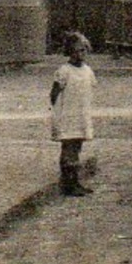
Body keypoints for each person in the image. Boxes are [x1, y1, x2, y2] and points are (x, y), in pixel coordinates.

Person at [50, 31, 96, 196]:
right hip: (67, 115)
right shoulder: (64, 71)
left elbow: (89, 90)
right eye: (76, 50)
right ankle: (67, 183)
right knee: (68, 148)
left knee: (77, 148)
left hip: (81, 115)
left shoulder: (88, 71)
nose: (80, 54)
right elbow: (54, 94)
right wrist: (59, 113)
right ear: (69, 51)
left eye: (83, 50)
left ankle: (75, 181)